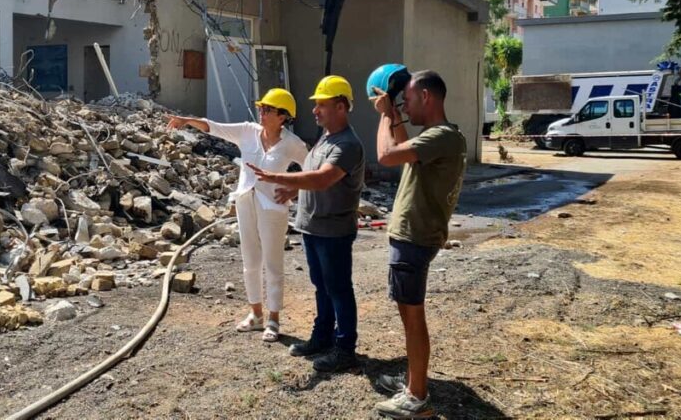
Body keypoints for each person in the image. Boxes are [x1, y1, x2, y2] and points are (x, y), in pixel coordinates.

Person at [167, 88, 307, 342]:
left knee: (273, 264)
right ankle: (256, 315)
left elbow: (312, 167)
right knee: (250, 261)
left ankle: (274, 319)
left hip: (273, 207)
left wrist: (294, 189)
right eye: (261, 109)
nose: (262, 113)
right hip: (245, 201)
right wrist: (187, 120)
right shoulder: (247, 131)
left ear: (283, 116)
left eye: (268, 110)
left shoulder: (291, 144)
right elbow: (214, 127)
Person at [248, 75, 365, 372]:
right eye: (315, 105)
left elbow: (324, 177)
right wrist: (295, 189)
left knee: (338, 289)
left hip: (333, 230)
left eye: (321, 105)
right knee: (321, 287)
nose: (314, 110)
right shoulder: (325, 138)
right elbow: (313, 176)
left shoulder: (347, 144)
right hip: (312, 227)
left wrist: (275, 177)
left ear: (341, 107)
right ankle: (322, 337)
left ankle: (345, 348)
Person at [371, 70, 467, 419]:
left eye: (407, 101)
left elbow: (387, 155)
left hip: (414, 238)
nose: (404, 108)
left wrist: (385, 115)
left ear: (426, 97)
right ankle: (414, 380)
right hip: (411, 236)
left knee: (412, 317)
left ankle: (417, 396)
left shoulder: (442, 137)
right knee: (407, 313)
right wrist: (395, 118)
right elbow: (402, 147)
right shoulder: (437, 137)